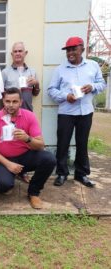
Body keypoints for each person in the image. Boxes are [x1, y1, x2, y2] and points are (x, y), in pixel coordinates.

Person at [48, 36, 106, 187]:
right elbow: (51, 90)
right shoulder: (60, 69)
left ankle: (81, 174)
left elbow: (102, 84)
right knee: (63, 143)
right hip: (66, 112)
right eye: (68, 50)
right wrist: (65, 96)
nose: (70, 53)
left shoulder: (93, 66)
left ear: (82, 49)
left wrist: (91, 87)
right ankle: (62, 173)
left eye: (73, 49)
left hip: (85, 111)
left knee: (82, 143)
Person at [0, 88, 56, 209]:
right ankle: (12, 175)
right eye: (8, 101)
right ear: (3, 101)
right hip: (5, 158)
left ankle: (33, 192)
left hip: (25, 156)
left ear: (21, 102)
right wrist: (8, 164)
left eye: (15, 101)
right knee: (4, 186)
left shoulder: (29, 116)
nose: (11, 105)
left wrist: (27, 138)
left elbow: (41, 145)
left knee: (49, 159)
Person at [2, 42, 40, 111]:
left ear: (25, 53)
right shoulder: (5, 72)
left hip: (27, 112)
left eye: (20, 51)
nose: (17, 53)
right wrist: (15, 92)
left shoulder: (32, 71)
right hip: (10, 112)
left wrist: (36, 83)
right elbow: (1, 94)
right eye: (15, 51)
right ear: (12, 54)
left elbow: (35, 94)